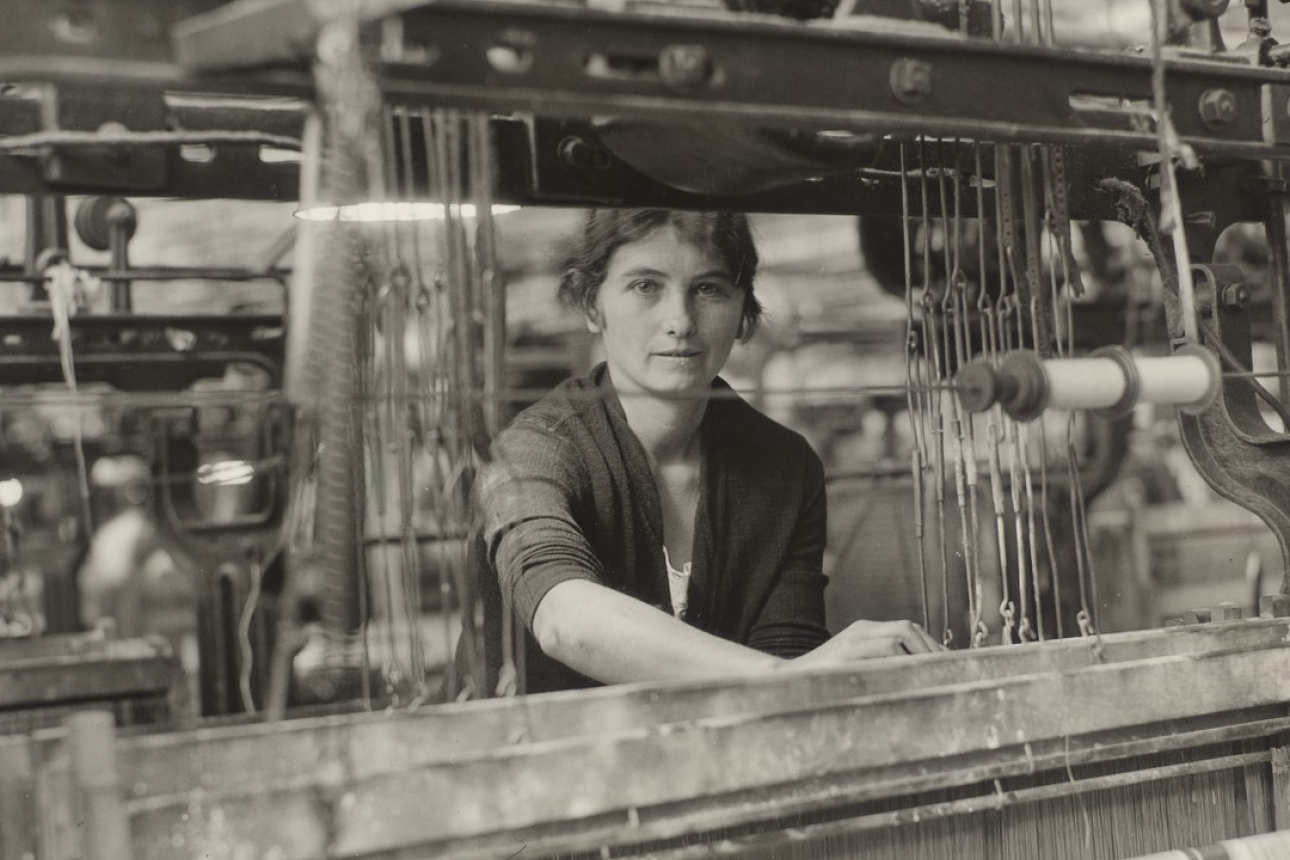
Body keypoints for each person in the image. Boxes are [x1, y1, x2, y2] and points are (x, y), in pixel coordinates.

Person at [459, 208, 940, 698]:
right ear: (590, 304)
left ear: (742, 311)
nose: (680, 322)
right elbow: (566, 621)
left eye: (709, 288)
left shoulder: (784, 466)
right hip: (530, 764)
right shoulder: (534, 449)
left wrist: (803, 676)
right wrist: (791, 678)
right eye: (645, 286)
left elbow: (785, 652)